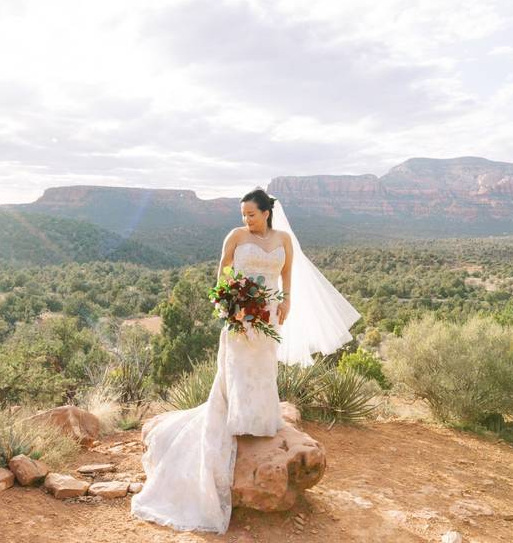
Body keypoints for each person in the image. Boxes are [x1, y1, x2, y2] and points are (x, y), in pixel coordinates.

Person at [130, 188, 360, 534]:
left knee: (264, 363)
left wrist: (286, 302)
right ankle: (237, 417)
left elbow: (286, 275)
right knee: (237, 365)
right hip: (239, 311)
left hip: (268, 311)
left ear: (266, 213)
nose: (246, 220)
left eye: (251, 214)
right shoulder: (236, 236)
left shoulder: (283, 239)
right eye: (243, 215)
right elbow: (222, 270)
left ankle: (261, 418)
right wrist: (229, 303)